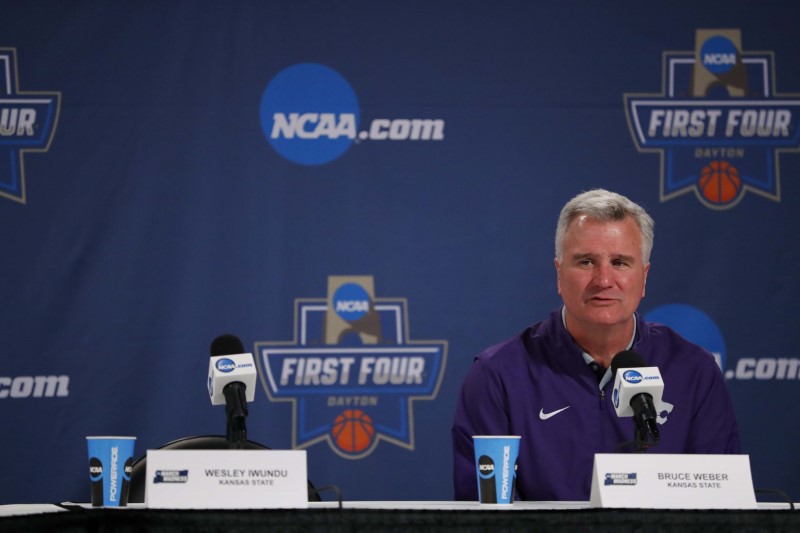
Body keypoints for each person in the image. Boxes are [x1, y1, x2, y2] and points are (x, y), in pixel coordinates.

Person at [451, 188, 740, 501]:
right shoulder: (498, 376)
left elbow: (720, 507)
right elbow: (486, 516)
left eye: (619, 262)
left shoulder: (694, 372)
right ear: (559, 274)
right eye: (586, 262)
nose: (603, 280)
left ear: (644, 278)